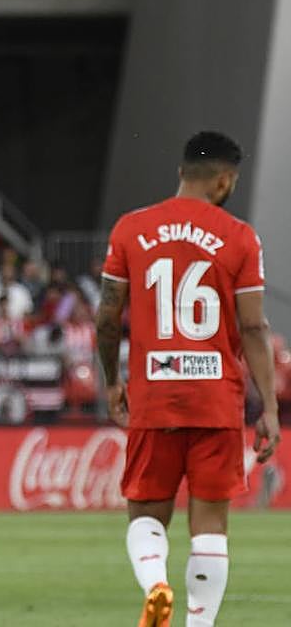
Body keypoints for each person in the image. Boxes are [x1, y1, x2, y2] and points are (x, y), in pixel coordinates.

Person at [96, 131, 280, 627]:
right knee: (210, 528)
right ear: (225, 181)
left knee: (146, 516)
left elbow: (107, 317)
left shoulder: (131, 229)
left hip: (154, 395)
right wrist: (269, 406)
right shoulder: (240, 237)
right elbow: (254, 327)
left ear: (181, 172)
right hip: (216, 399)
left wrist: (112, 381)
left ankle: (156, 583)